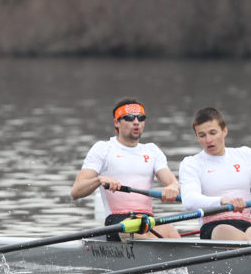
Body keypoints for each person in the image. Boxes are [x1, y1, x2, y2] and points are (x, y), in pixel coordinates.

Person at [70, 98, 181, 240]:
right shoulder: (104, 149)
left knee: (171, 232)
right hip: (117, 222)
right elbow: (76, 191)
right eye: (129, 118)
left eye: (140, 118)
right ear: (116, 122)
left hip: (147, 220)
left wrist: (172, 187)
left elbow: (172, 182)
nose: (136, 122)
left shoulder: (152, 151)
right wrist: (99, 180)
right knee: (144, 235)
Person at [180, 107, 251, 242]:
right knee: (236, 237)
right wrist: (222, 201)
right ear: (197, 137)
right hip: (215, 227)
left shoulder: (245, 155)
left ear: (224, 131)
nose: (208, 140)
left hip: (245, 225)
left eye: (213, 133)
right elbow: (189, 200)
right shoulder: (191, 163)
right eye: (202, 135)